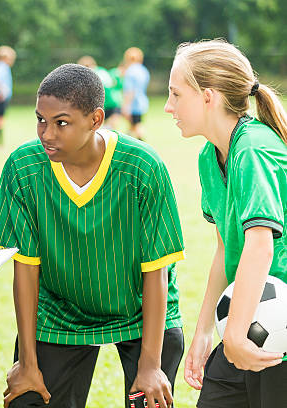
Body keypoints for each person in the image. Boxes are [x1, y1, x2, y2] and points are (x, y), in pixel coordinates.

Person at [0, 64, 185, 408]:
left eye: (61, 123)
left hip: (140, 311)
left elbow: (156, 272)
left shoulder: (142, 167)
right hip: (60, 312)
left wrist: (151, 365)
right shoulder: (23, 168)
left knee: (149, 402)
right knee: (28, 399)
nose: (47, 134)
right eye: (41, 120)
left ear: (95, 119)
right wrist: (28, 364)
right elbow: (26, 270)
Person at [165, 39, 287, 408]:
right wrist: (205, 332)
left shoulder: (254, 148)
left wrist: (234, 334)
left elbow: (260, 244)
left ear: (208, 96)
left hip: (274, 324)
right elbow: (224, 247)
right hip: (251, 318)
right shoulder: (209, 157)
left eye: (176, 95)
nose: (169, 106)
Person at [77, 55, 122, 129]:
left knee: (101, 127)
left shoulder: (91, 75)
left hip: (105, 103)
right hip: (114, 101)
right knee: (110, 127)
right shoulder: (102, 70)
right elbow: (114, 83)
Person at [121, 47, 150, 140]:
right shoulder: (143, 70)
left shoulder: (130, 71)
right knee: (133, 125)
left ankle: (142, 145)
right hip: (142, 102)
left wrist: (126, 106)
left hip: (134, 104)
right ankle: (128, 141)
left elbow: (130, 91)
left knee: (137, 125)